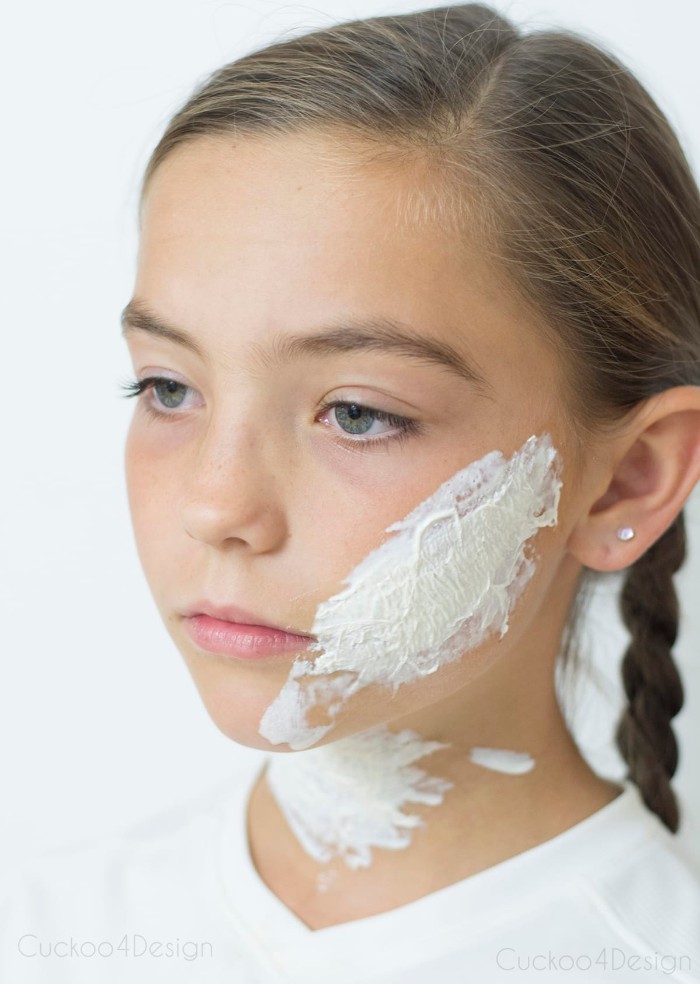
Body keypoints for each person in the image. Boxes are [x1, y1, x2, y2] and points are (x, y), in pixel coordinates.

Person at [2, 3, 700, 981]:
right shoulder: (39, 927)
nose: (216, 506)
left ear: (626, 478)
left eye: (359, 414)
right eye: (168, 387)